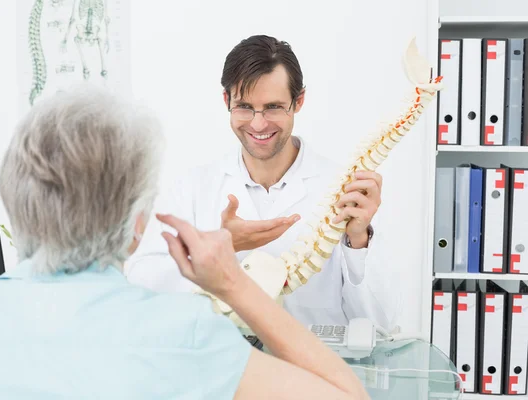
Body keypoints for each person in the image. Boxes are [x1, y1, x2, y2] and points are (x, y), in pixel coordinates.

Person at [0, 84, 369, 399]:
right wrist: (232, 282)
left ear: (14, 196)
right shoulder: (187, 336)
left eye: (272, 106)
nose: (259, 121)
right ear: (138, 222)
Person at [126, 34, 399, 331]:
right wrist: (221, 249)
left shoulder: (347, 192)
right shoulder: (192, 188)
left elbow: (381, 323)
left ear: (298, 102)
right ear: (226, 101)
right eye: (244, 106)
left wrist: (358, 241)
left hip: (312, 371)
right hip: (222, 368)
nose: (258, 124)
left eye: (273, 107)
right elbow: (142, 284)